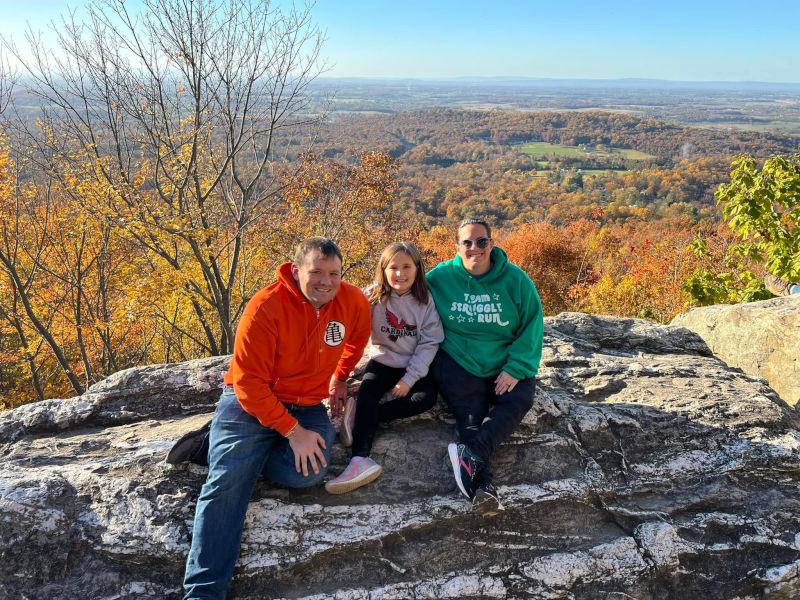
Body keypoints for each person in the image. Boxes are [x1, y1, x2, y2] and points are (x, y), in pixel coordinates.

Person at [182, 237, 370, 599]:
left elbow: (356, 340)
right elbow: (249, 383)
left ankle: (221, 447)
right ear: (297, 270)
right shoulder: (266, 307)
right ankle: (203, 592)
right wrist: (292, 431)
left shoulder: (351, 301)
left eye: (334, 273)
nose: (326, 281)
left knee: (309, 472)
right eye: (316, 272)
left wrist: (340, 379)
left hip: (307, 404)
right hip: (250, 405)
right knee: (228, 486)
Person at [426, 217, 544, 514]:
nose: (474, 248)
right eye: (467, 242)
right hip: (458, 359)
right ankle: (484, 487)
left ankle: (473, 453)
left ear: (492, 243)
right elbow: (401, 287)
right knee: (471, 416)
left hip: (504, 360)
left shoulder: (515, 280)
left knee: (518, 399)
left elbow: (532, 325)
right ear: (457, 247)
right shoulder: (440, 277)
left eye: (481, 241)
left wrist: (516, 367)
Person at [325, 242, 444, 494]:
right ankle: (359, 460)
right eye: (393, 267)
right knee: (368, 392)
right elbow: (346, 312)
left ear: (417, 269)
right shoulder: (373, 296)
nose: (400, 274)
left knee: (425, 399)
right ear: (383, 269)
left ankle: (361, 416)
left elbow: (429, 342)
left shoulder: (424, 302)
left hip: (413, 364)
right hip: (382, 361)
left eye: (406, 267)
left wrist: (410, 379)